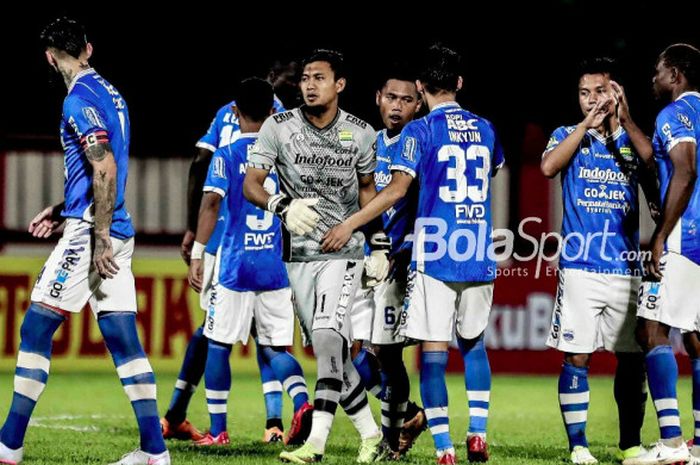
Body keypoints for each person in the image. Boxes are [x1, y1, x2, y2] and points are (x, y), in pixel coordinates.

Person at [322, 43, 504, 465]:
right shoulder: (487, 128)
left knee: (434, 353)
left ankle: (443, 449)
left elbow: (399, 189)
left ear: (421, 89)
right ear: (459, 83)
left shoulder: (419, 133)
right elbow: (491, 171)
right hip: (477, 250)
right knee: (474, 346)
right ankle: (477, 433)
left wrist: (349, 224)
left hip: (433, 253)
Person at [0, 17, 169, 465]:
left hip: (95, 231)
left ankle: (8, 445)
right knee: (120, 333)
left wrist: (96, 236)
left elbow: (106, 168)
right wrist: (63, 207)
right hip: (111, 224)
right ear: (89, 49)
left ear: (49, 57)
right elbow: (98, 167)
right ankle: (155, 452)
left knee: (35, 325)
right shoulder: (111, 93)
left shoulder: (77, 101)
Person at [244, 49, 387, 463]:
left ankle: (316, 445)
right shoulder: (278, 126)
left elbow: (367, 193)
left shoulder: (361, 134)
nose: (309, 85)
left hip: (344, 251)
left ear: (339, 85)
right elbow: (252, 184)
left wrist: (378, 243)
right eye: (306, 77)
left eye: (319, 78)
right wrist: (281, 206)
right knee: (334, 357)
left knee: (327, 338)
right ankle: (372, 436)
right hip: (298, 256)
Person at [162, 64, 296, 443]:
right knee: (269, 340)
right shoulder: (286, 132)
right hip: (270, 250)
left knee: (214, 334)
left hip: (227, 245)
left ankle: (196, 420)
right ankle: (276, 421)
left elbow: (200, 165)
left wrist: (196, 237)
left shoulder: (227, 117)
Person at [540, 57, 655, 465]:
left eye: (599, 91)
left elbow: (652, 165)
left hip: (625, 267)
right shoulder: (566, 135)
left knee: (632, 358)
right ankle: (579, 446)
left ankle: (630, 445)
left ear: (615, 93)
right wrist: (584, 127)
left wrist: (626, 119)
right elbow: (549, 166)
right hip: (580, 268)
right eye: (584, 92)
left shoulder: (630, 138)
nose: (591, 99)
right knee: (577, 357)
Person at [347, 67, 429, 458]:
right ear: (378, 97)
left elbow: (425, 207)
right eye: (391, 98)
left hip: (397, 264)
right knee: (354, 356)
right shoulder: (369, 143)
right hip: (364, 263)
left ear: (418, 103)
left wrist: (408, 249)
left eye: (406, 99)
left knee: (386, 354)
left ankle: (389, 438)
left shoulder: (420, 143)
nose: (397, 106)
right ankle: (410, 416)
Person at [631, 43, 700, 465]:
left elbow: (685, 166)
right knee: (695, 337)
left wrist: (660, 235)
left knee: (650, 330)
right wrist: (625, 119)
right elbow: (657, 154)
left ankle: (672, 443)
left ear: (675, 74)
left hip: (683, 239)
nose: (654, 77)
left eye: (658, 70)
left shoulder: (674, 114)